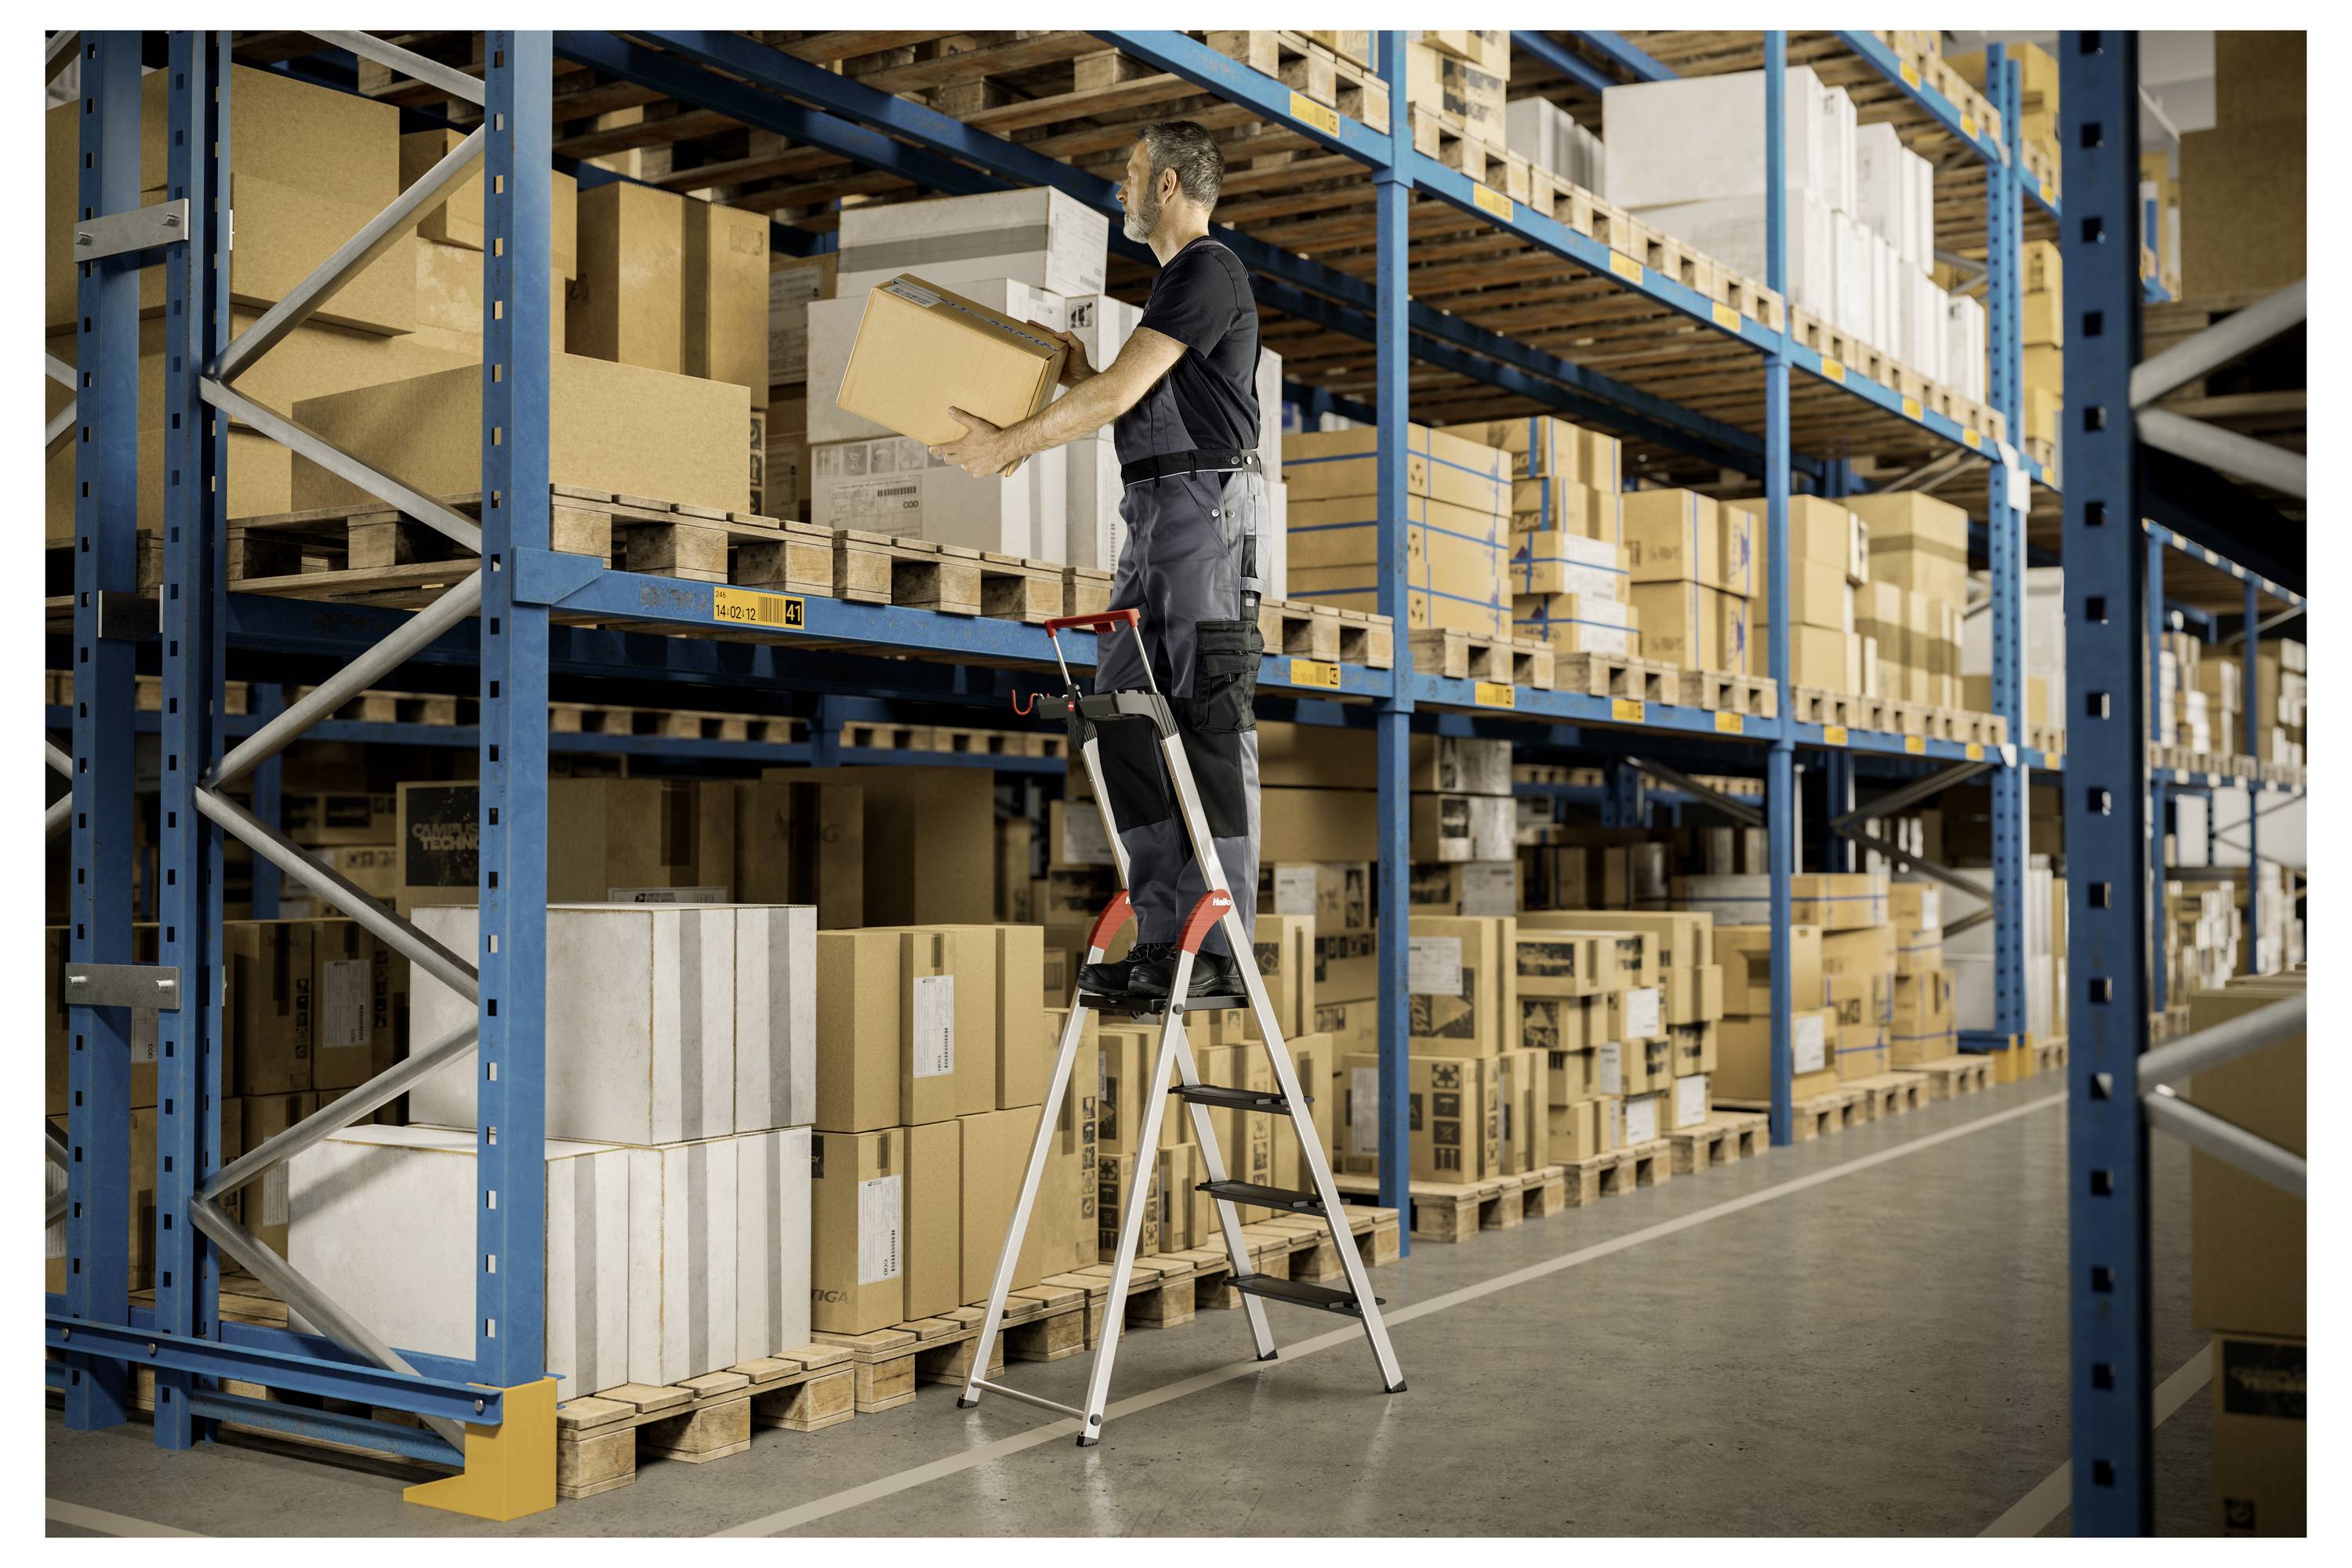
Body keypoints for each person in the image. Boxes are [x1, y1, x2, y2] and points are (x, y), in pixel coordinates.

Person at [933, 120, 1265, 1004]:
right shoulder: (1171, 292)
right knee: (1123, 717)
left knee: (1206, 721)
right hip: (1152, 520)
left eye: (1128, 172)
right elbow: (1126, 389)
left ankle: (1223, 951)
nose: (1120, 186)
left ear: (1168, 184)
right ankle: (1166, 940)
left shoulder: (1206, 267)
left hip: (1206, 519)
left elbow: (1122, 392)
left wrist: (1011, 441)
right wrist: (1076, 372)